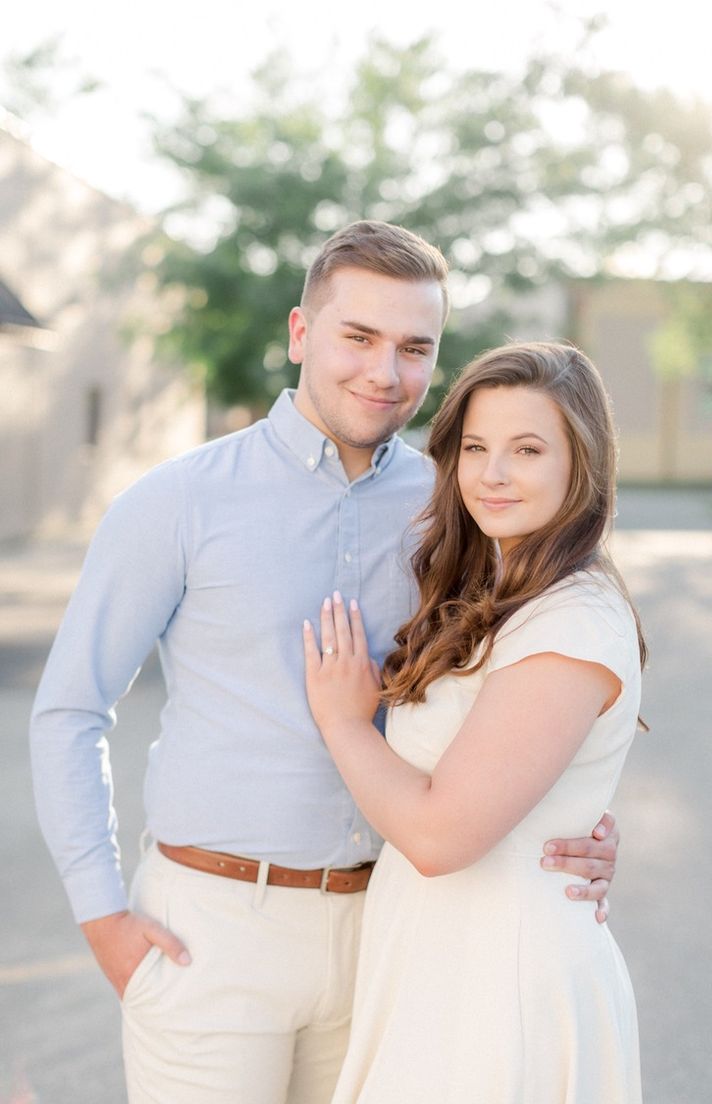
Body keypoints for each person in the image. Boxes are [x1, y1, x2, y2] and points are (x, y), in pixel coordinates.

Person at [31, 224, 621, 1104]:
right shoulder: (178, 501)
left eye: (414, 348)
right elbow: (71, 709)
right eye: (360, 337)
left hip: (389, 930)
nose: (386, 373)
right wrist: (103, 916)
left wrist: (573, 816)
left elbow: (530, 680)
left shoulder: (456, 504)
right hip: (214, 930)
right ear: (303, 334)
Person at [303, 340, 645, 1104]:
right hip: (444, 962)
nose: (491, 474)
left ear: (579, 464)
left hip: (502, 977)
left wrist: (345, 723)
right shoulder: (502, 588)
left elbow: (439, 835)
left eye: (526, 449)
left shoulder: (573, 620)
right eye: (476, 447)